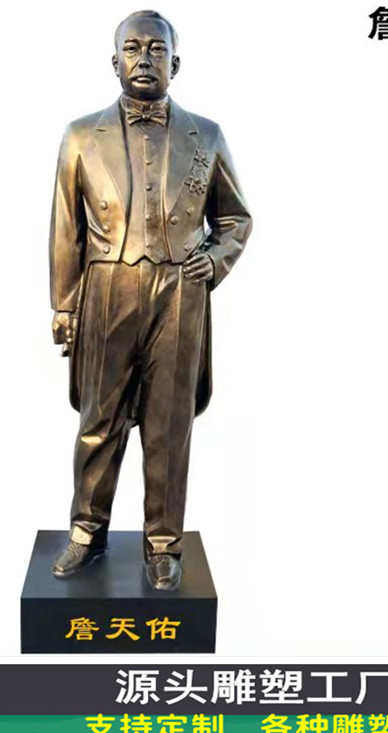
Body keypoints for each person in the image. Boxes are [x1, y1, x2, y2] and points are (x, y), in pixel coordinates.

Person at [48, 10, 252, 590]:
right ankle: (86, 531)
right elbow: (66, 229)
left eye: (156, 49)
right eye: (133, 48)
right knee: (100, 419)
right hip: (107, 289)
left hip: (180, 293)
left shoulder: (206, 135)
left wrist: (215, 259)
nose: (144, 59)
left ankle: (163, 544)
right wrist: (63, 306)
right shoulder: (81, 136)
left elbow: (235, 218)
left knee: (168, 424)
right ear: (114, 62)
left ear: (175, 63)